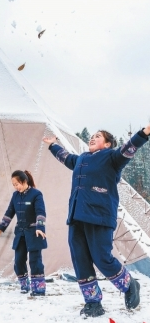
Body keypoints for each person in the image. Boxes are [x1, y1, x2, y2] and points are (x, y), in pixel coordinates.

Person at [43, 124, 150, 318]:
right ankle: (93, 302)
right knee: (81, 260)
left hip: (99, 216)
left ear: (108, 144)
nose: (92, 138)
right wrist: (53, 146)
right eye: (92, 136)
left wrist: (144, 133)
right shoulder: (81, 159)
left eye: (98, 136)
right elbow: (66, 158)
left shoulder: (112, 158)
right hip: (76, 217)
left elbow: (129, 148)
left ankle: (129, 284)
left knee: (102, 257)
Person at [0, 170, 47, 296]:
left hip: (34, 233)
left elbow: (41, 212)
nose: (16, 187)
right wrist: (0, 229)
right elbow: (9, 212)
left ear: (24, 181)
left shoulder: (36, 194)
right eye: (14, 185)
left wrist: (40, 227)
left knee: (35, 261)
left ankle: (38, 288)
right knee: (18, 260)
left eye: (17, 184)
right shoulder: (15, 196)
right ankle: (24, 284)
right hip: (21, 233)